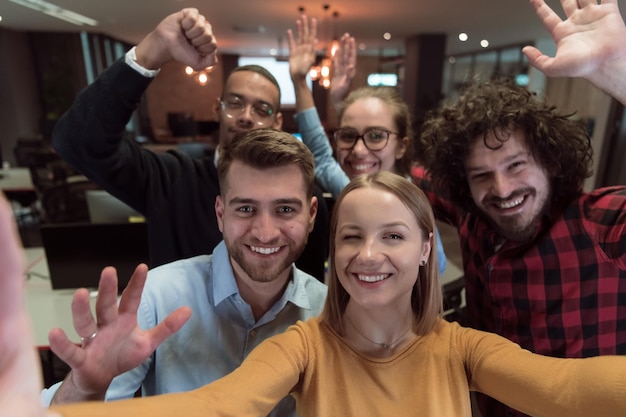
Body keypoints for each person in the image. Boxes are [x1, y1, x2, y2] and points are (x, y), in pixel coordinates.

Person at [5, 172, 625, 417]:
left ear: (426, 251)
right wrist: (47, 411)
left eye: (392, 236)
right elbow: (219, 406)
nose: (368, 254)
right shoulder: (304, 346)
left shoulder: (463, 349)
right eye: (352, 236)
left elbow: (565, 389)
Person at [410, 0, 626, 416]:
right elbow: (410, 175)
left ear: (548, 158)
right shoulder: (474, 211)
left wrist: (620, 71)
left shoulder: (601, 223)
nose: (502, 188)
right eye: (481, 175)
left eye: (516, 165)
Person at [40, 129, 327, 417]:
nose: (265, 233)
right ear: (220, 214)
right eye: (246, 208)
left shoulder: (329, 311)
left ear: (311, 215)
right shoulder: (159, 295)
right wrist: (86, 387)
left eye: (286, 209)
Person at [50, 8, 328, 281]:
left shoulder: (300, 197)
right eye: (234, 103)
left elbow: (312, 294)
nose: (245, 117)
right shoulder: (171, 180)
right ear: (216, 110)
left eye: (261, 109)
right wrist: (152, 51)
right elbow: (76, 140)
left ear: (277, 121)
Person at [287, 16, 447, 275]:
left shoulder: (412, 202)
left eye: (376, 136)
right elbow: (321, 156)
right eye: (349, 136)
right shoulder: (357, 189)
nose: (359, 151)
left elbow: (435, 269)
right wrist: (299, 82)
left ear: (402, 145)